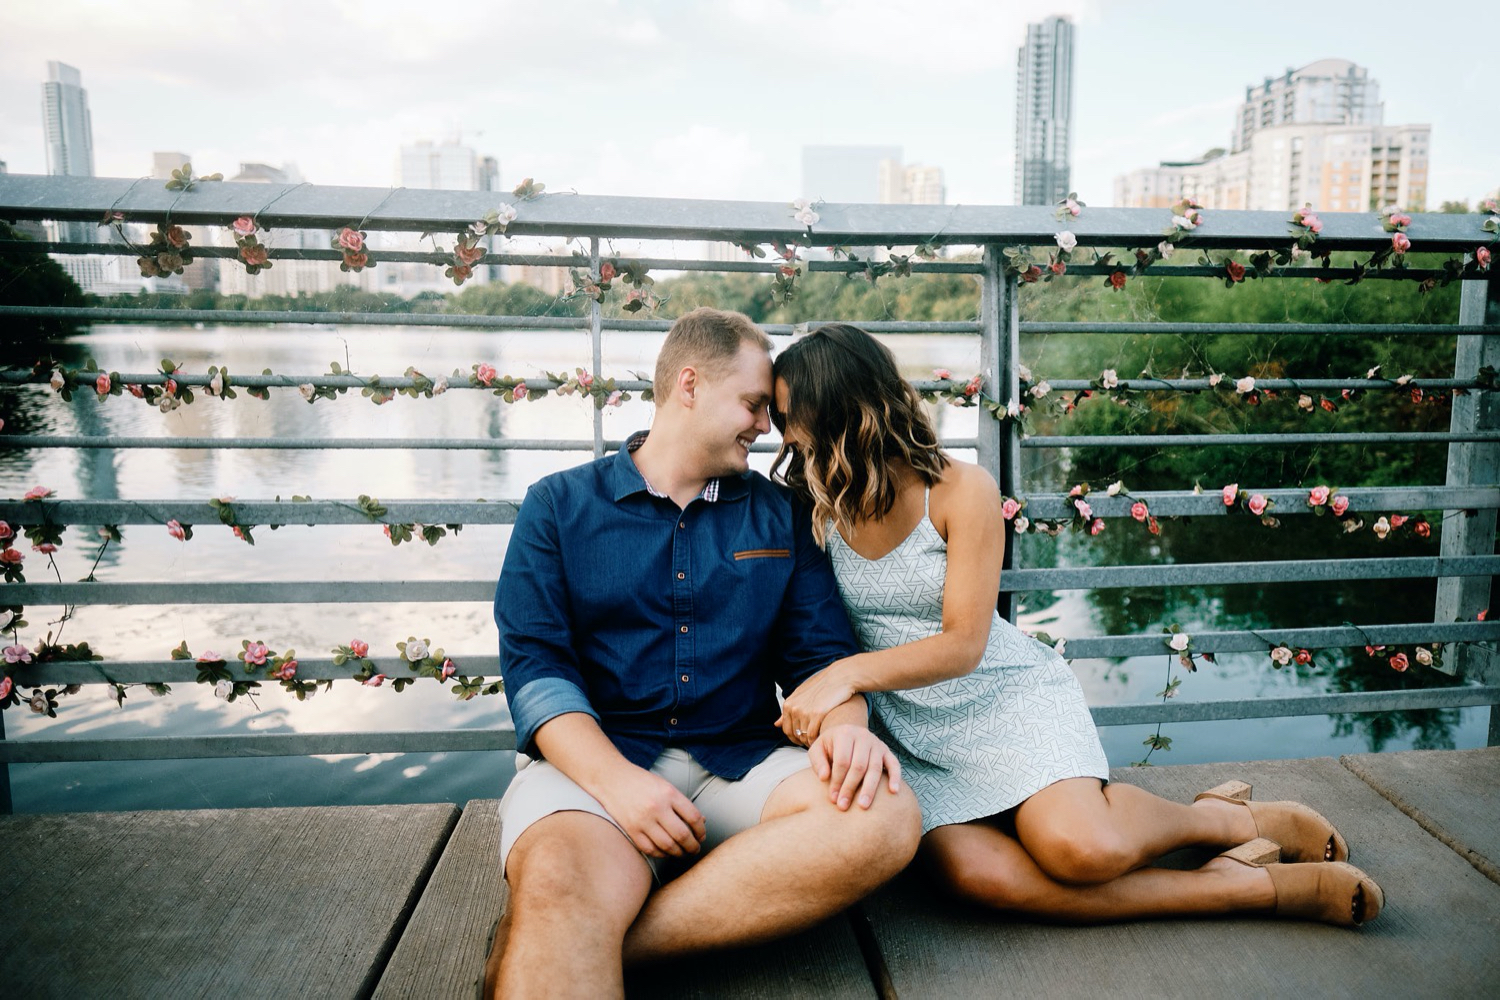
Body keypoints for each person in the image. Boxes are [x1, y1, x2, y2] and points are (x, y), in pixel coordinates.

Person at [769, 323, 1384, 929]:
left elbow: (963, 644)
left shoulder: (960, 492)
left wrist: (843, 675)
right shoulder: (814, 500)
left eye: (788, 417)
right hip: (908, 734)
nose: (781, 434)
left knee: (1083, 851)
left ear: (843, 412)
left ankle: (1219, 821)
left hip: (999, 700)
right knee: (980, 876)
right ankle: (1240, 889)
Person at [486, 308, 922, 998]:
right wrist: (618, 785)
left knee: (886, 817)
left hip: (740, 761)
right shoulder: (559, 506)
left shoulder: (781, 512)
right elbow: (538, 672)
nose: (766, 427)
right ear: (688, 384)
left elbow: (820, 658)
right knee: (563, 882)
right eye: (753, 404)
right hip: (598, 765)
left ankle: (599, 940)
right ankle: (571, 922)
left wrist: (848, 733)